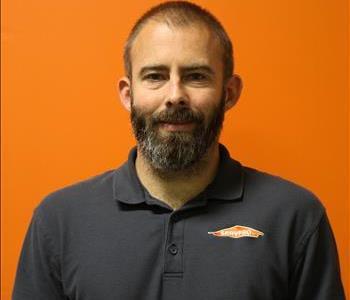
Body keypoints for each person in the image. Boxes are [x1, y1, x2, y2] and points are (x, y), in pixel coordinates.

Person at [12, 1, 345, 299]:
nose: (175, 95)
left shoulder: (296, 217)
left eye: (196, 76)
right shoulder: (58, 221)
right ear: (128, 94)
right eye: (155, 76)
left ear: (229, 93)